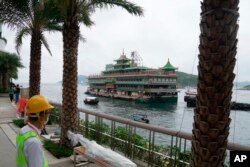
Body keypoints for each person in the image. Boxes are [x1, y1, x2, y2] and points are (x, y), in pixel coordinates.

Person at [16, 95, 54, 167]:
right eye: (48, 112)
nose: (48, 116)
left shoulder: (23, 131)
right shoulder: (33, 142)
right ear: (42, 116)